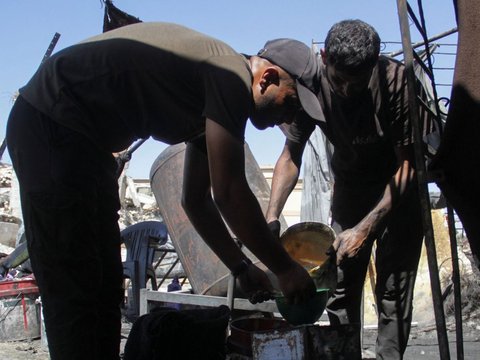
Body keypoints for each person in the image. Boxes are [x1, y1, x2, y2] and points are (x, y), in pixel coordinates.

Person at [6, 22, 320, 360]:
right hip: (52, 122)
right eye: (291, 103)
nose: (288, 119)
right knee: (76, 286)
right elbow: (229, 191)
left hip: (85, 142)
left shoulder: (213, 97)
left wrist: (241, 267)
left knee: (106, 286)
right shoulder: (230, 76)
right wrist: (285, 269)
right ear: (267, 78)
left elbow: (196, 200)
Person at [266, 20, 426, 359]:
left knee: (394, 289)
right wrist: (271, 218)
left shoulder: (396, 80)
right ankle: (345, 354)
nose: (347, 91)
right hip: (351, 188)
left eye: (358, 83)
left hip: (399, 191)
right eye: (339, 80)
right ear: (325, 58)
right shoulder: (310, 86)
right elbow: (290, 155)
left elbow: (408, 165)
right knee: (338, 282)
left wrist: (366, 229)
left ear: (374, 65)